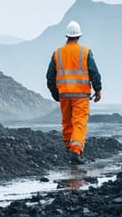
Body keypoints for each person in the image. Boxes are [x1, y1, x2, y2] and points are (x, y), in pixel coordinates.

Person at [46, 20, 102, 164]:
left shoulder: (57, 53)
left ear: (67, 36)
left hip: (64, 94)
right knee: (79, 123)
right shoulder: (85, 52)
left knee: (67, 123)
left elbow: (50, 76)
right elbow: (94, 72)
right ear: (79, 36)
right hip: (81, 95)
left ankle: (69, 147)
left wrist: (55, 93)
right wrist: (98, 89)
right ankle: (75, 152)